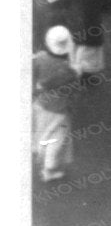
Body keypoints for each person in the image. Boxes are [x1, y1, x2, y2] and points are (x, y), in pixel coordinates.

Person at [33, 26, 79, 181]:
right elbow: (74, 91)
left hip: (41, 103)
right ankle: (50, 169)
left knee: (41, 131)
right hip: (60, 109)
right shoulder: (70, 70)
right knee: (56, 139)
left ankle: (40, 154)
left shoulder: (39, 58)